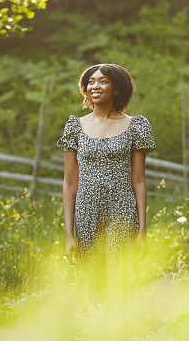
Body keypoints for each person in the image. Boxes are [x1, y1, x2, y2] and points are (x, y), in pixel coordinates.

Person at [56, 63, 155, 301]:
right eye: (90, 82)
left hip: (121, 209)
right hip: (86, 212)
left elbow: (139, 181)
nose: (95, 86)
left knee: (119, 279)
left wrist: (142, 231)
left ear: (117, 88)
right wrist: (69, 235)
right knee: (93, 280)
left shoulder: (136, 126)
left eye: (103, 81)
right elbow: (70, 183)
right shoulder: (75, 127)